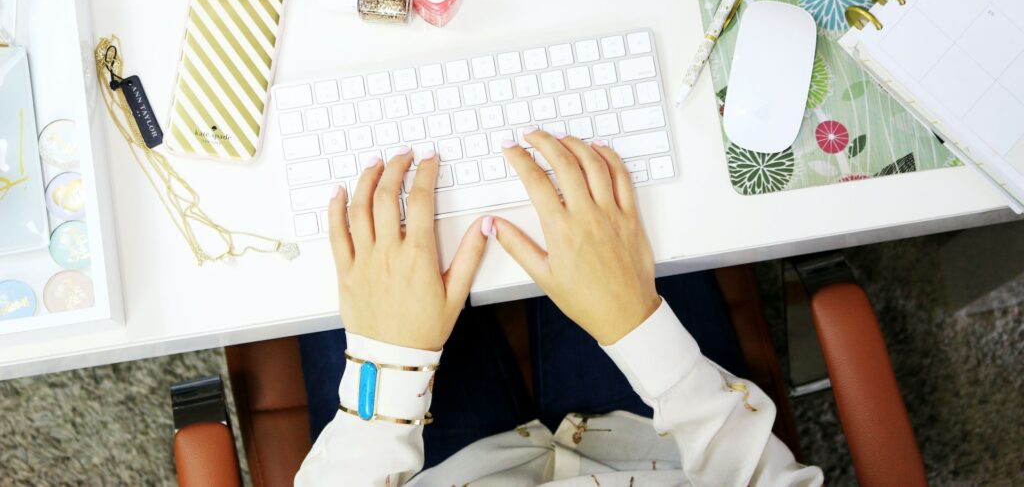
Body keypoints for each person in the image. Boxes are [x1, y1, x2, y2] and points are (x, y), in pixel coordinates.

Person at [295, 129, 824, 486]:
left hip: (443, 468)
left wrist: (388, 367)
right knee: (594, 160)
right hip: (657, 443)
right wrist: (637, 322)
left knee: (337, 239)